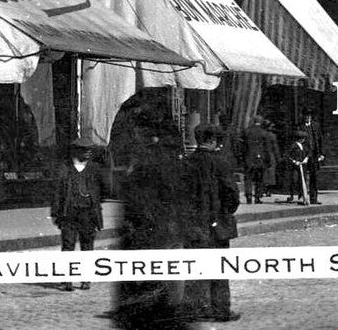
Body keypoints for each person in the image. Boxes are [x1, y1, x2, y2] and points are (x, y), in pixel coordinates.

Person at [113, 118, 189, 330]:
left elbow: (139, 199)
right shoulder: (173, 160)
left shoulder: (147, 161)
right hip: (170, 227)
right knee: (173, 274)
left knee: (155, 279)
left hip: (154, 229)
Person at [184, 125, 241, 323]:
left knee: (195, 267)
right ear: (212, 140)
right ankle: (221, 309)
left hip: (193, 224)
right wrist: (225, 213)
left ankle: (198, 308)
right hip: (217, 224)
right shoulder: (221, 163)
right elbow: (232, 194)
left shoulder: (187, 163)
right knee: (219, 267)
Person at [49, 138, 106, 291]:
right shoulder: (64, 168)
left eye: (89, 150)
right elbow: (56, 192)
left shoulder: (94, 169)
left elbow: (103, 189)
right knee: (68, 246)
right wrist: (55, 213)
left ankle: (86, 279)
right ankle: (67, 280)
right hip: (69, 214)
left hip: (88, 214)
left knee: (87, 246)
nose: (87, 153)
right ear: (75, 151)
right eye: (83, 150)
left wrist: (94, 203)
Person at [241, 116, 277, 204]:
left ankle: (249, 195)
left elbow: (242, 146)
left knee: (248, 178)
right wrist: (268, 160)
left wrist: (242, 157)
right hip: (260, 158)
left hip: (249, 158)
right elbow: (267, 148)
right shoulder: (264, 133)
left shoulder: (247, 131)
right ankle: (257, 196)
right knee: (259, 178)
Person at [299, 111, 324, 205]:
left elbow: (320, 139)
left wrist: (321, 153)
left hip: (313, 155)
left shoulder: (315, 126)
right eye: (306, 116)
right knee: (303, 176)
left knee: (314, 177)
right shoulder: (300, 127)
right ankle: (304, 198)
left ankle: (314, 198)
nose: (308, 118)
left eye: (309, 116)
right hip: (304, 155)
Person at [285, 129, 310, 204]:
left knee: (302, 181)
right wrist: (294, 161)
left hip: (303, 165)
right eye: (303, 138)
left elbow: (308, 153)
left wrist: (306, 158)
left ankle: (301, 195)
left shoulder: (304, 146)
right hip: (295, 167)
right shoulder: (293, 146)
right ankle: (292, 195)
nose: (304, 140)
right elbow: (287, 155)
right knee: (294, 180)